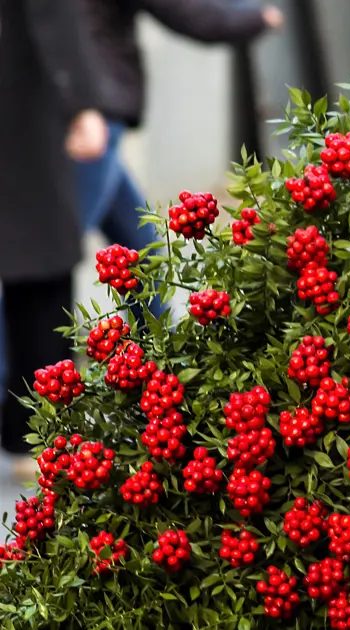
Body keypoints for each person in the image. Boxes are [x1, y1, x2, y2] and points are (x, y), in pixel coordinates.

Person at [74, 0, 284, 323]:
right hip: (92, 120)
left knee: (140, 248)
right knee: (48, 262)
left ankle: (157, 356)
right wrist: (257, 18)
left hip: (85, 112)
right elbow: (189, 12)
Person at [0, 0, 108, 472]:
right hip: (22, 107)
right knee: (40, 265)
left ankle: (30, 430)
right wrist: (82, 102)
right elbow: (51, 16)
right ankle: (37, 433)